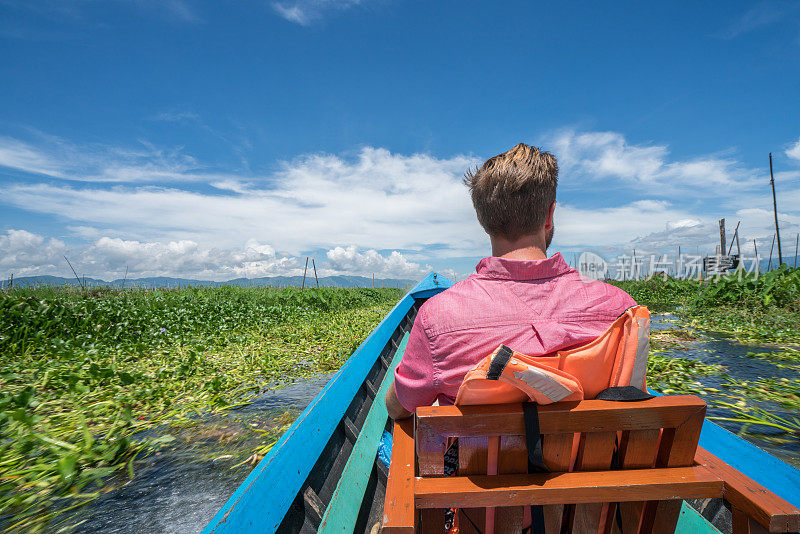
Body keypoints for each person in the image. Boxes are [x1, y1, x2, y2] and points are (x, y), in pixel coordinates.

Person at [385, 143, 636, 420]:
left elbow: (402, 407)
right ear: (550, 216)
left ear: (483, 221)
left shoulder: (437, 315)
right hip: (590, 460)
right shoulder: (621, 309)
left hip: (479, 462)